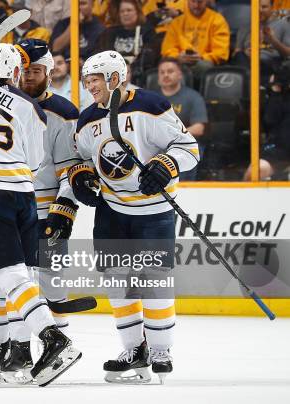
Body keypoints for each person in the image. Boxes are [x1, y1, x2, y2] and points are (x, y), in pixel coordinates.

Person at [0, 42, 82, 387]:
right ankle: (16, 350)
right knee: (17, 275)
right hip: (23, 194)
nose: (25, 76)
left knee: (12, 275)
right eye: (21, 70)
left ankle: (54, 340)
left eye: (34, 70)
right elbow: (35, 159)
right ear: (15, 72)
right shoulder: (32, 110)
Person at [70, 50, 199, 384]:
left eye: (95, 79)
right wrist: (82, 176)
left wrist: (166, 165)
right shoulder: (87, 120)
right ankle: (133, 348)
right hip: (112, 210)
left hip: (153, 212)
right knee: (117, 281)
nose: (90, 86)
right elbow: (82, 159)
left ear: (115, 77)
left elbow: (188, 148)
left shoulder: (151, 106)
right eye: (87, 80)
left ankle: (160, 350)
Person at [157, 57, 207, 180]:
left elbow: (199, 128)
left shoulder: (193, 97)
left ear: (180, 75)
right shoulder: (150, 98)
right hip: (155, 144)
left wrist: (173, 136)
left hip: (182, 144)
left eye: (170, 71)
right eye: (162, 72)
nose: (166, 75)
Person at [161, 0, 230, 78]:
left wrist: (201, 57)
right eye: (193, 1)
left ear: (206, 2)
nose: (196, 6)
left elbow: (221, 52)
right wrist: (178, 57)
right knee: (168, 65)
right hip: (180, 61)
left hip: (204, 62)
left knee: (202, 66)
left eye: (200, 2)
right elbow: (167, 49)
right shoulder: (177, 22)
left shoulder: (217, 20)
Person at [233, 0, 290, 79]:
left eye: (264, 7)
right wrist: (246, 52)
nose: (260, 10)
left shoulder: (282, 25)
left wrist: (273, 41)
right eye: (257, 7)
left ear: (272, 8)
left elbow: (288, 53)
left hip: (271, 63)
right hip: (247, 62)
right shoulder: (245, 28)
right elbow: (237, 51)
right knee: (239, 56)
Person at [94, 0, 157, 67]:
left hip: (138, 72)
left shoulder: (147, 31)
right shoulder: (109, 33)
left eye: (129, 10)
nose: (125, 14)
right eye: (122, 11)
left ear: (137, 12)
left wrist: (131, 68)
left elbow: (149, 57)